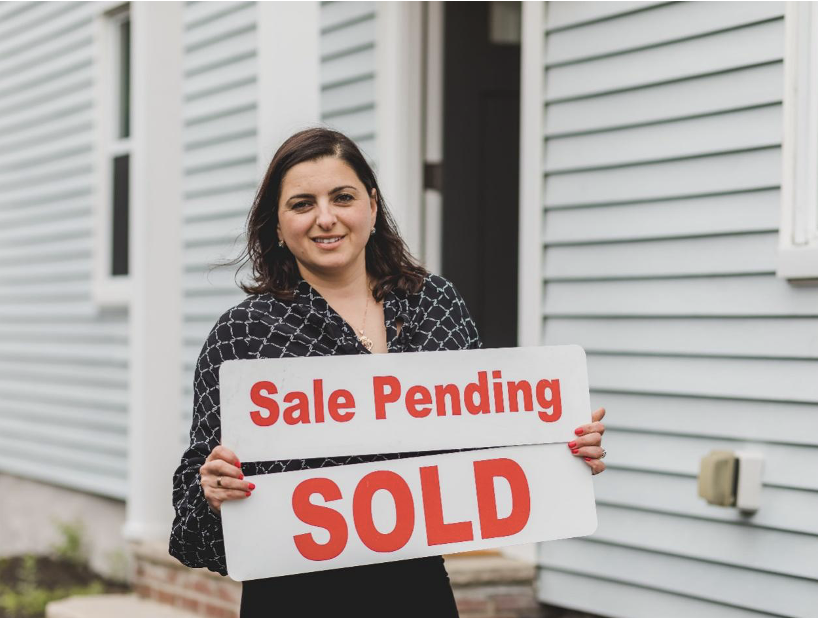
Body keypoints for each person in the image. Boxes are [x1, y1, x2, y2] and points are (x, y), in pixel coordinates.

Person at [169, 127, 607, 617]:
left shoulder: (436, 304)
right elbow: (189, 524)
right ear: (276, 224)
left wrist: (561, 449)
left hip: (415, 592)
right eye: (302, 204)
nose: (326, 218)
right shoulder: (242, 336)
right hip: (292, 599)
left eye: (343, 197)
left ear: (372, 208)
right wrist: (211, 493)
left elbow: (490, 438)